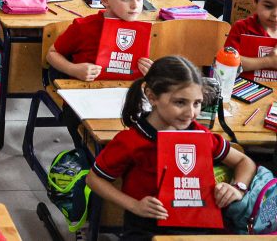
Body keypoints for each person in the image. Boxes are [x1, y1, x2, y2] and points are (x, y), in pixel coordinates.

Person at [86, 56, 256, 241]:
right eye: (180, 102)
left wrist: (238, 188)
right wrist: (134, 205)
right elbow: (94, 179)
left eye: (197, 103)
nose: (191, 113)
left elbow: (244, 161)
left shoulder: (200, 134)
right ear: (152, 97)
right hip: (146, 230)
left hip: (198, 230)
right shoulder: (131, 140)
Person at [48, 0, 151, 80]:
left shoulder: (143, 31)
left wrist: (150, 70)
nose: (135, 5)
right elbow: (52, 53)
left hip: (127, 88)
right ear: (105, 0)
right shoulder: (83, 26)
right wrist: (73, 70)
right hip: (86, 88)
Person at [224, 0, 277, 74]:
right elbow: (228, 62)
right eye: (268, 6)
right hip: (244, 84)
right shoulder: (241, 28)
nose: (275, 14)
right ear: (254, 0)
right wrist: (270, 61)